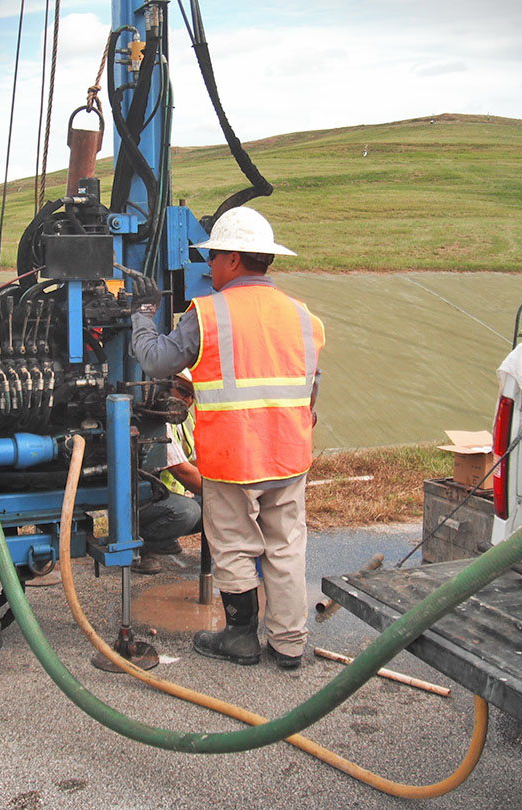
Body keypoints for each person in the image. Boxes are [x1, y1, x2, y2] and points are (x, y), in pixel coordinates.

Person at [130, 207, 324, 669]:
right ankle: (289, 643)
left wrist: (140, 316)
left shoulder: (210, 313)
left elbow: (157, 362)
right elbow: (305, 388)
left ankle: (240, 637)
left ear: (234, 260)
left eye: (212, 258)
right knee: (285, 545)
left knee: (235, 543)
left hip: (233, 457)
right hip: (289, 456)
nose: (208, 267)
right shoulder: (303, 317)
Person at [133, 369, 202, 575]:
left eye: (193, 395)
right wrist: (223, 494)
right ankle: (139, 547)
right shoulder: (157, 419)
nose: (188, 400)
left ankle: (163, 539)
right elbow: (182, 471)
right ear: (166, 384)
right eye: (182, 391)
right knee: (188, 512)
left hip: (163, 496)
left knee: (211, 506)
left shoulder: (183, 418)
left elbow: (194, 461)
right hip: (139, 501)